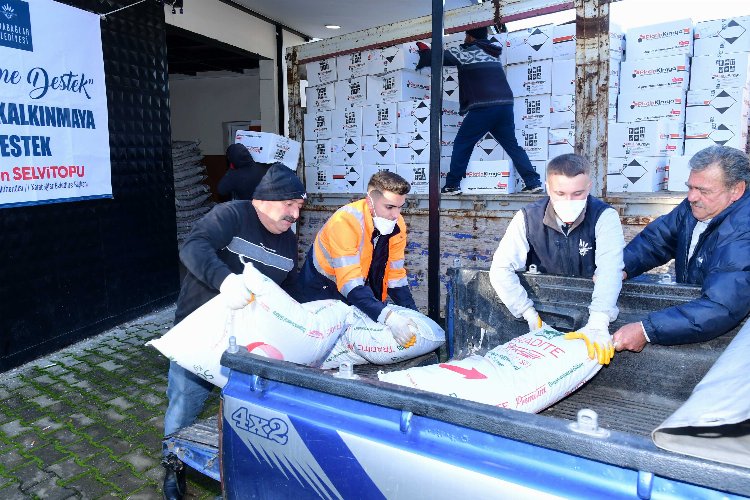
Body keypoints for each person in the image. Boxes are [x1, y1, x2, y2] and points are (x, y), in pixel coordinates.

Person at [161, 163, 306, 500]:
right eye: (290, 205)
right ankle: (172, 466)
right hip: (200, 331)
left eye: (299, 207)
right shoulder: (230, 214)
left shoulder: (287, 239)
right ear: (265, 199)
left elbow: (292, 286)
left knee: (244, 409)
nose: (295, 215)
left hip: (249, 342)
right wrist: (225, 281)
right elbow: (193, 246)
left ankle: (240, 467)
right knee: (184, 404)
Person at [489, 154, 624, 364]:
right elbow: (501, 268)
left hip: (590, 310)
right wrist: (528, 313)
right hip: (544, 310)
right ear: (547, 188)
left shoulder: (604, 216)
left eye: (578, 193)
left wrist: (599, 321)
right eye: (560, 193)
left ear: (589, 187)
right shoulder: (527, 217)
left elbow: (610, 269)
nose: (568, 201)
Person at [613, 145, 750, 353]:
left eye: (703, 190)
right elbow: (656, 241)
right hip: (694, 314)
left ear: (736, 190)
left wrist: (647, 330)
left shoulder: (743, 230)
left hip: (729, 332)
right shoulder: (694, 206)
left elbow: (721, 306)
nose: (692, 197)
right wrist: (619, 267)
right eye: (690, 187)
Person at [415, 26, 543, 195]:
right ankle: (533, 182)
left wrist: (424, 50)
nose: (465, 38)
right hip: (505, 105)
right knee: (512, 146)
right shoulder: (491, 52)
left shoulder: (467, 52)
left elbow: (437, 58)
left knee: (462, 143)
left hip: (484, 106)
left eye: (466, 35)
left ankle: (452, 185)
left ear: (470, 37)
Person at [296, 171, 419, 347]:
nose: (396, 215)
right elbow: (350, 283)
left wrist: (414, 315)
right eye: (390, 207)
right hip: (321, 294)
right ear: (370, 201)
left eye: (400, 207)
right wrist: (390, 318)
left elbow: (395, 277)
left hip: (357, 294)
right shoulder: (345, 221)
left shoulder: (397, 225)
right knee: (318, 350)